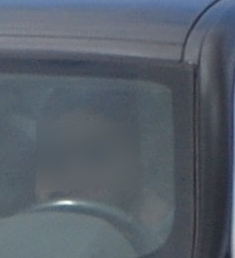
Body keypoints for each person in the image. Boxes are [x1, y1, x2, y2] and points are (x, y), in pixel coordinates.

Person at [33, 88, 169, 244]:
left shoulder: (175, 239)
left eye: (96, 154)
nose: (76, 176)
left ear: (144, 152)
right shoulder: (25, 239)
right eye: (57, 160)